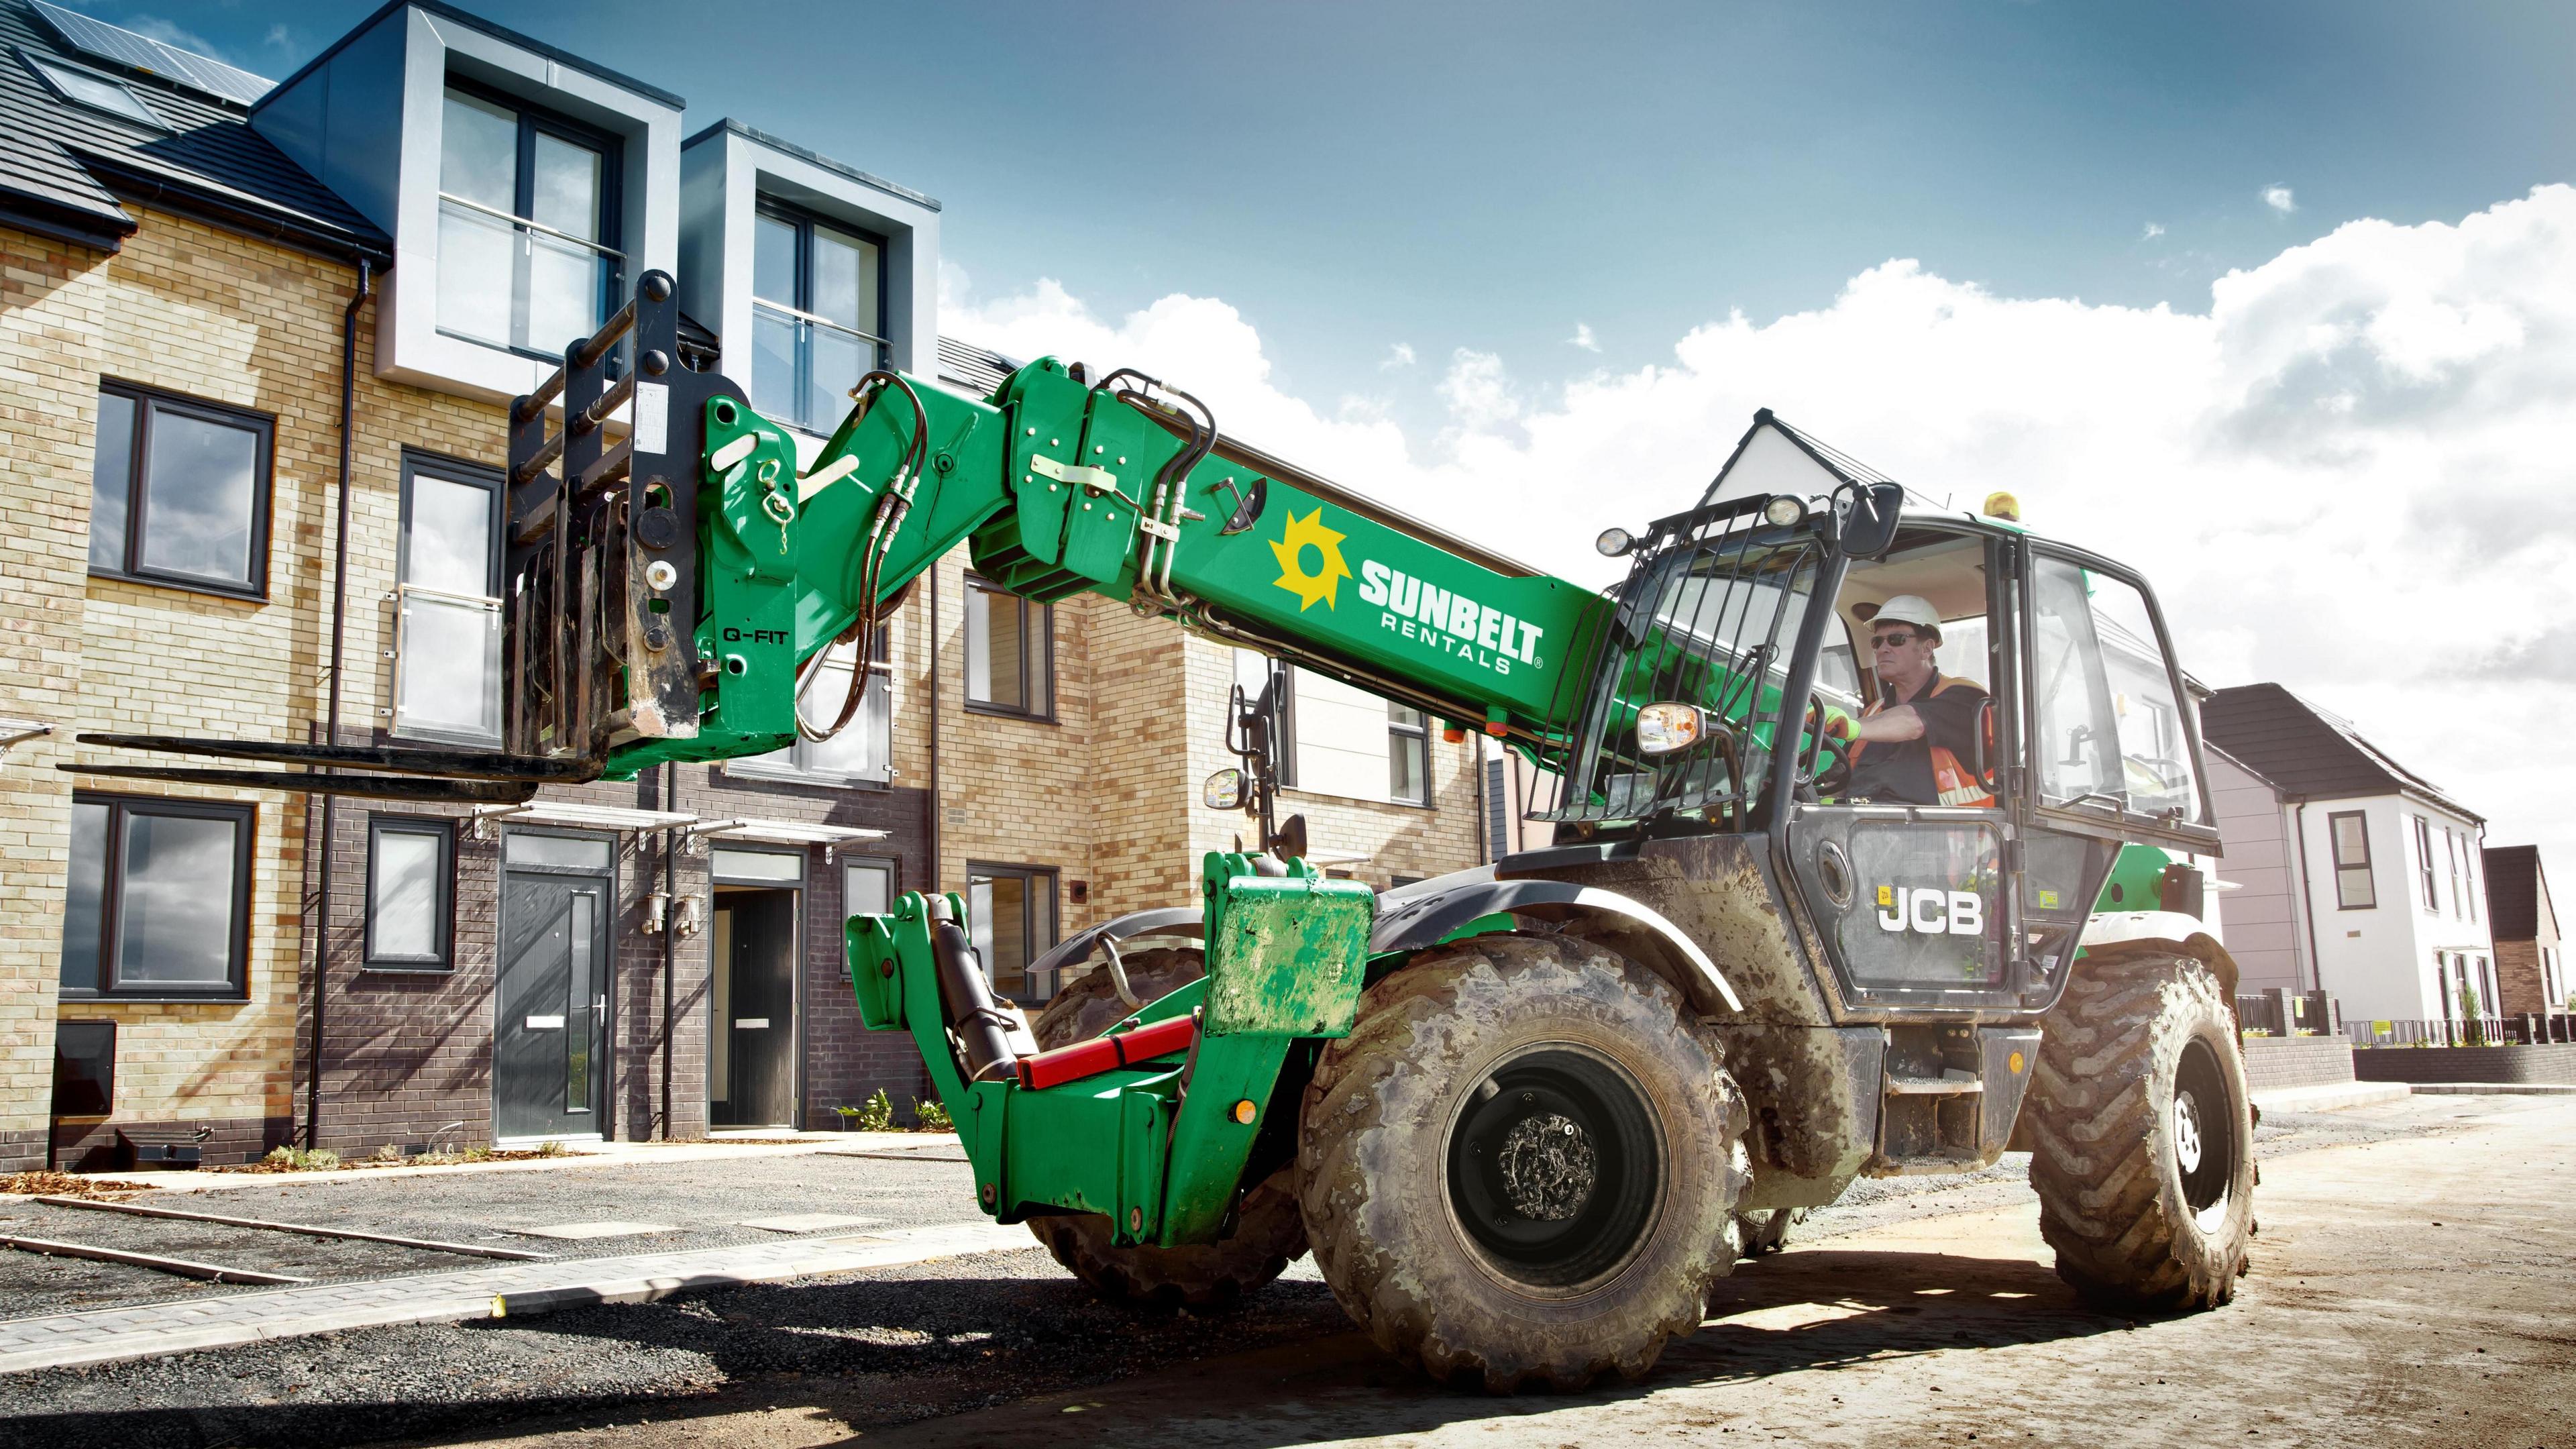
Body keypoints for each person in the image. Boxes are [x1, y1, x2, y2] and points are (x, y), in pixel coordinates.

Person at [1836, 595, 1994, 808]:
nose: (1882, 649)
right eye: (1877, 642)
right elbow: (1838, 781)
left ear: (1927, 649)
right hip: (1863, 830)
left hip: (1947, 834)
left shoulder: (1965, 696)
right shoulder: (1873, 714)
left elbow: (1913, 721)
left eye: (1897, 640)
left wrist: (1848, 726)